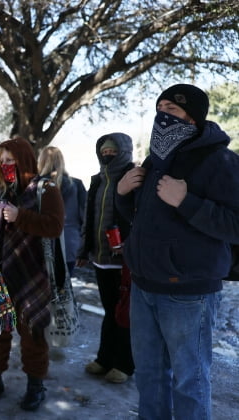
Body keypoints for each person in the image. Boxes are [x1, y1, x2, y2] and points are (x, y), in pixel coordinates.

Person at [116, 84, 239, 420]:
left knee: (190, 383)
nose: (163, 116)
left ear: (193, 118)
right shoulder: (154, 161)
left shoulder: (220, 161)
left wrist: (187, 201)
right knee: (150, 379)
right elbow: (144, 220)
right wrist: (123, 194)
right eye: (160, 108)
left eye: (172, 110)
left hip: (188, 295)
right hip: (144, 287)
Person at [0, 137, 64, 412]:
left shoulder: (45, 189)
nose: (5, 165)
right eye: (1, 161)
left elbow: (55, 226)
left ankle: (35, 386)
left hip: (31, 272)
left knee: (33, 332)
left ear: (24, 160)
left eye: (10, 160)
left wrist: (20, 216)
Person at [76, 133, 135, 384]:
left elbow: (141, 217)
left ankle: (124, 364)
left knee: (125, 314)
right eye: (104, 150)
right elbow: (89, 218)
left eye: (113, 150)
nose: (107, 154)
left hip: (125, 262)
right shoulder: (97, 180)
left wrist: (130, 246)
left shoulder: (134, 177)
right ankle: (104, 359)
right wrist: (83, 250)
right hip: (101, 258)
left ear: (123, 151)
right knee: (110, 311)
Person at [38, 146, 87, 275]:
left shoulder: (36, 185)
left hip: (42, 245)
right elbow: (85, 217)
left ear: (41, 161)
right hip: (70, 245)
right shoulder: (76, 184)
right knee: (64, 290)